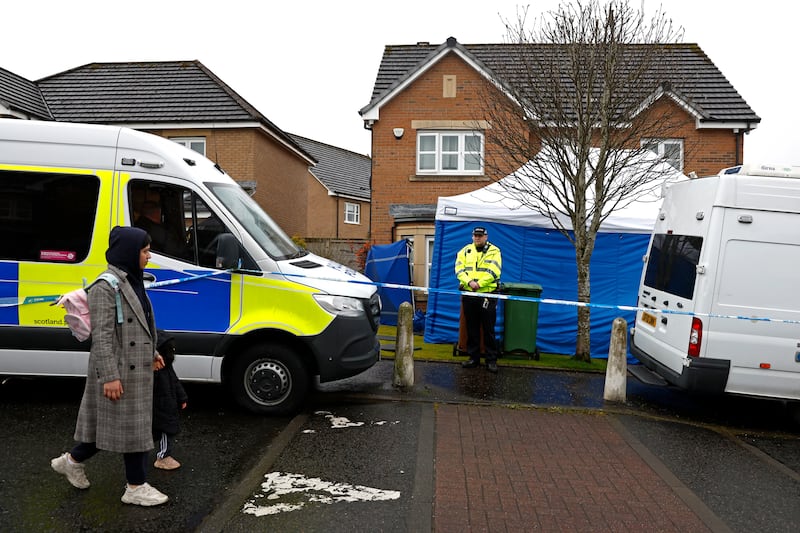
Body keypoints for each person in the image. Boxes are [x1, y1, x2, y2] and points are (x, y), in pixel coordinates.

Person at [51, 226, 169, 507]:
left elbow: (140, 324)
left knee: (117, 428)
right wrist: (109, 377)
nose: (148, 256)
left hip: (134, 367)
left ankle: (71, 461)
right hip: (117, 369)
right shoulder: (105, 287)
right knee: (132, 430)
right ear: (130, 252)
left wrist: (152, 351)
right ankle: (136, 487)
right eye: (144, 250)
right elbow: (101, 336)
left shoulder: (132, 280)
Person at [455, 226, 502, 373]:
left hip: (487, 294)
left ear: (486, 237)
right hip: (469, 294)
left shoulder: (495, 251)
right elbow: (459, 270)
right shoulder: (464, 251)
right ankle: (473, 358)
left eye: (480, 236)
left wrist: (479, 284)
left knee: (489, 329)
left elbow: (494, 271)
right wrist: (469, 283)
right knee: (472, 328)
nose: (477, 238)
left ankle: (491, 360)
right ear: (472, 236)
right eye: (475, 235)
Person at [152, 330, 188, 471]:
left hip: (167, 404)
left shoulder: (165, 367)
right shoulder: (155, 369)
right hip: (161, 406)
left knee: (165, 430)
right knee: (165, 430)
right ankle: (163, 457)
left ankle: (163, 455)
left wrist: (182, 397)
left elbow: (175, 381)